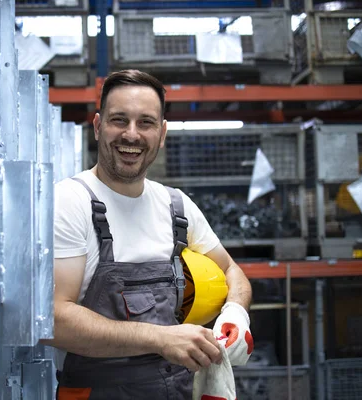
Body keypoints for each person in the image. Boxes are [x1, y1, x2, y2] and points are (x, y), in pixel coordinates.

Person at [44, 69, 253, 399]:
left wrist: (235, 313)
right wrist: (160, 338)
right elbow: (53, 319)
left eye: (145, 123)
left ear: (162, 132)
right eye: (119, 120)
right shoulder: (72, 201)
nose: (131, 135)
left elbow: (232, 271)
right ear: (98, 127)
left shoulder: (176, 207)